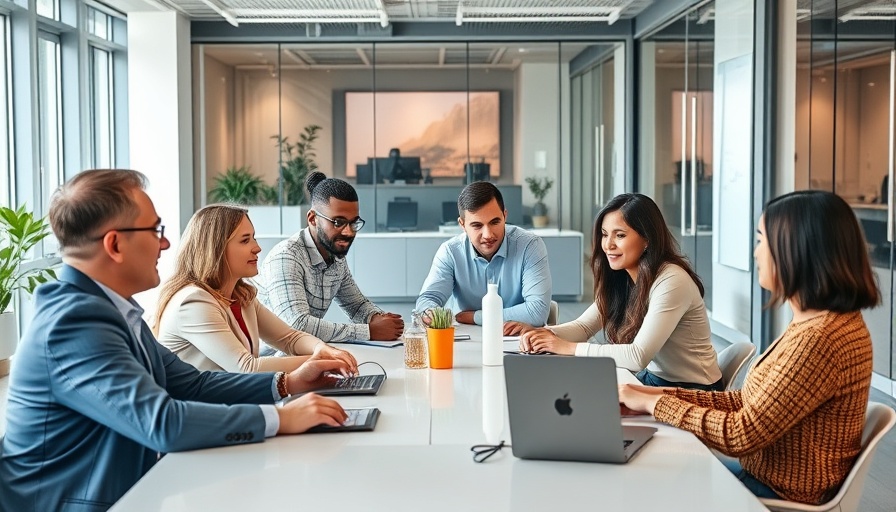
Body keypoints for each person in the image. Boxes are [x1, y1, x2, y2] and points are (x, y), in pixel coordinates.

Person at [0, 170, 351, 512]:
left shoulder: (113, 310)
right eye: (155, 230)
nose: (165, 243)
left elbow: (192, 384)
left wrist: (289, 383)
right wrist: (280, 419)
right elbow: (162, 422)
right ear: (115, 244)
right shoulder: (74, 322)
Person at [619, 190, 880, 505]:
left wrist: (654, 404)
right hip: (761, 479)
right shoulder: (818, 322)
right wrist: (650, 395)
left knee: (642, 483)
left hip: (774, 495)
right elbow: (747, 402)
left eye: (761, 240)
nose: (756, 253)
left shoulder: (819, 339)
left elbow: (741, 434)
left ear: (797, 249)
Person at [511, 193, 722, 390]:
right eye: (604, 235)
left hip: (695, 389)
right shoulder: (623, 276)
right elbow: (584, 327)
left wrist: (565, 347)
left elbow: (637, 356)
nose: (608, 245)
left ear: (647, 240)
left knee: (591, 398)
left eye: (620, 235)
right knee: (579, 389)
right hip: (654, 378)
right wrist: (543, 334)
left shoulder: (672, 280)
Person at [154, 204, 358, 373]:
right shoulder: (193, 302)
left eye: (253, 238)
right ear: (216, 249)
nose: (257, 248)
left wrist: (322, 348)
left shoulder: (242, 296)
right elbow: (246, 368)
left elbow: (289, 338)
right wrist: (322, 361)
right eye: (245, 240)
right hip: (201, 408)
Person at [255, 171, 404, 342]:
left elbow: (355, 305)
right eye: (338, 222)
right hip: (272, 357)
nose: (348, 232)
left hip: (307, 353)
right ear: (313, 219)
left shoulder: (335, 255)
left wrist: (378, 318)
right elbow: (297, 325)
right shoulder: (286, 258)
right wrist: (369, 331)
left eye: (353, 223)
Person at [416, 181, 551, 326]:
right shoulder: (450, 252)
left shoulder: (530, 246)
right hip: (465, 336)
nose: (488, 235)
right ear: (462, 224)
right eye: (477, 225)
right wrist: (429, 313)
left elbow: (537, 311)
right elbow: (427, 300)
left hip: (514, 338)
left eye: (495, 222)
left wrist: (475, 317)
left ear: (505, 216)